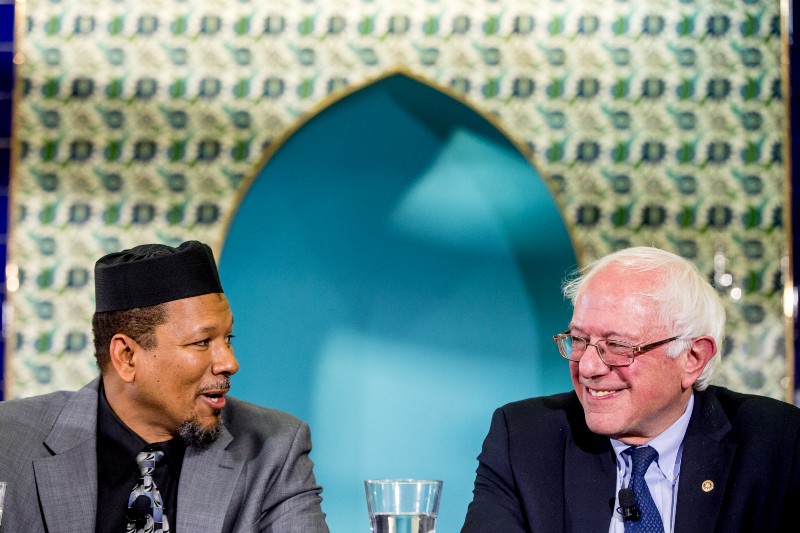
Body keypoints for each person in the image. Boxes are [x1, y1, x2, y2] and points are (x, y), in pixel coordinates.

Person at [462, 246, 800, 533]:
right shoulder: (524, 439)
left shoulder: (778, 443)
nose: (588, 367)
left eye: (617, 346)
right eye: (578, 340)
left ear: (692, 358)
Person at [0, 240, 330, 532]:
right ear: (127, 356)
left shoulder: (275, 448)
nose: (230, 363)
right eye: (202, 342)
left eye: (228, 338)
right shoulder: (8, 440)